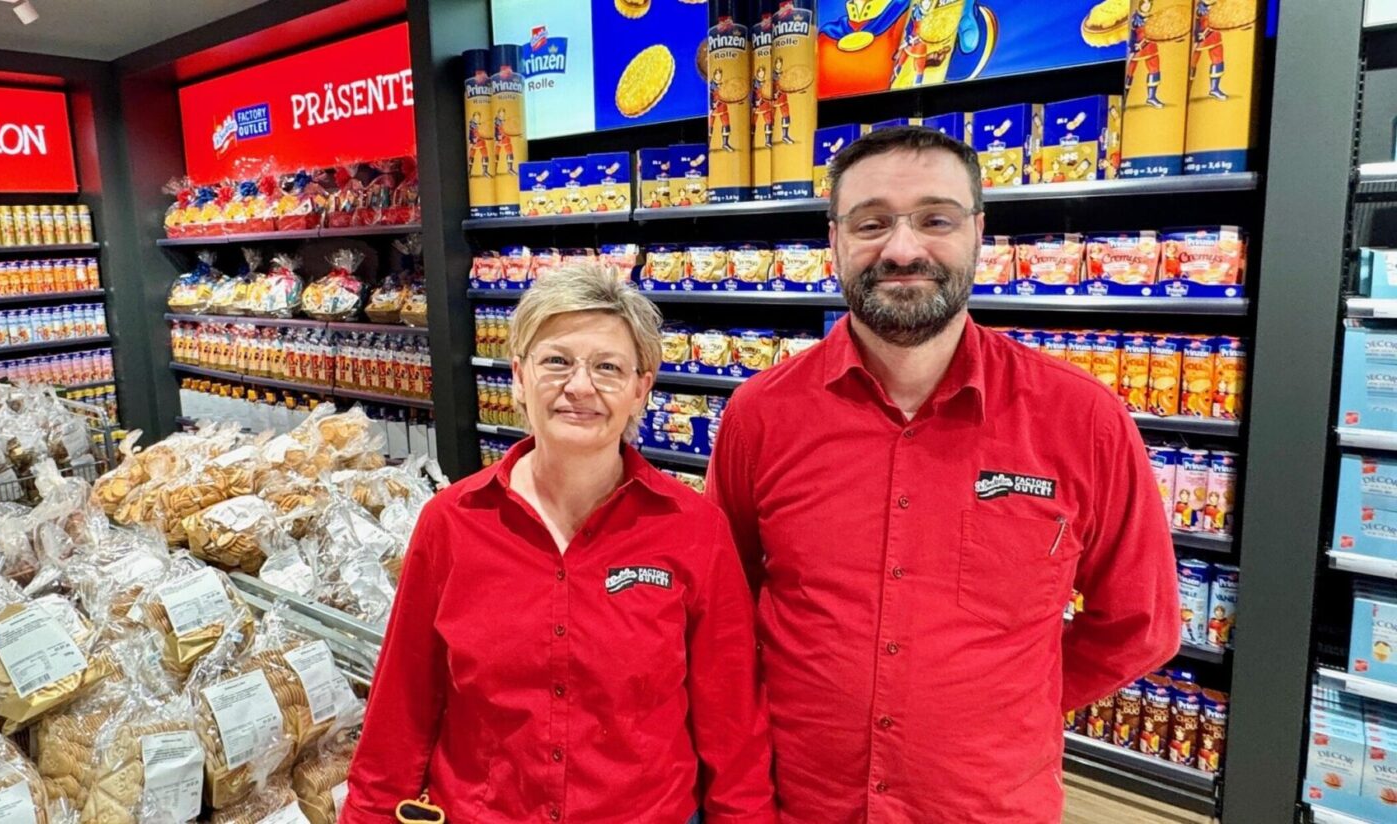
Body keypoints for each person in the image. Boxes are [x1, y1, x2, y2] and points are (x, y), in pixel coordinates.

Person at [706, 125, 1179, 823]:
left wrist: (1011, 700)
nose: (902, 250)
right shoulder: (761, 414)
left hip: (987, 807)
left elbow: (1140, 623)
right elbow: (723, 609)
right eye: (871, 223)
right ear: (834, 240)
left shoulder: (1083, 418)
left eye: (936, 220)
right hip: (800, 802)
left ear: (979, 233)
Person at [342, 263, 776, 824]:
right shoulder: (451, 523)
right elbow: (401, 710)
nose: (580, 387)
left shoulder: (694, 530)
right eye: (556, 361)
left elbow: (733, 730)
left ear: (641, 389)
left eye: (607, 367)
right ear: (519, 377)